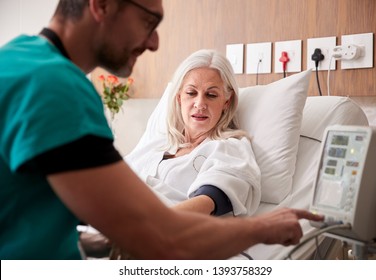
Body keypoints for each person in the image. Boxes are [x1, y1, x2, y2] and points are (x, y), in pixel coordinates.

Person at [0, 0, 323, 260]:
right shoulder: (57, 89)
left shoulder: (15, 60)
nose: (154, 42)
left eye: (212, 94)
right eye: (148, 22)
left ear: (227, 102)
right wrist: (262, 228)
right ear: (102, 5)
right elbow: (163, 239)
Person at [125, 49, 261, 218]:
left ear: (227, 102)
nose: (200, 104)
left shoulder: (230, 148)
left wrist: (151, 225)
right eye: (191, 93)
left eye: (211, 95)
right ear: (179, 97)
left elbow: (210, 200)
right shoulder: (156, 145)